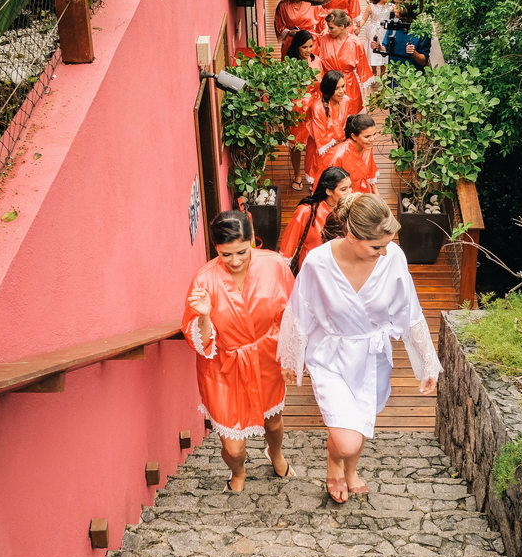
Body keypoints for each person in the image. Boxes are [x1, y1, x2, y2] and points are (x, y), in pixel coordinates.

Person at [277, 194, 441, 503]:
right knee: (346, 438)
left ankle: (349, 471)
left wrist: (427, 363)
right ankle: (334, 460)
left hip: (373, 355)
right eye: (377, 246)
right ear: (352, 237)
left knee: (362, 418)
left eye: (388, 244)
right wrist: (291, 357)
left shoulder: (393, 257)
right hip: (330, 356)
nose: (384, 252)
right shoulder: (318, 262)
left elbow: (411, 311)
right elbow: (300, 310)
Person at [184, 211, 297, 491]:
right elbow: (200, 341)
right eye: (225, 255)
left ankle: (276, 453)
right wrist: (205, 316)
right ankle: (237, 471)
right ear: (215, 250)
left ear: (252, 242)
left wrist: (293, 356)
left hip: (266, 357)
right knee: (234, 448)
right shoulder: (203, 280)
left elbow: (292, 315)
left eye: (241, 252)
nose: (234, 261)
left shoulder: (275, 266)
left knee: (273, 423)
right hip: (223, 367)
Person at [279, 166, 352, 271]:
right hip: (312, 268)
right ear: (329, 191)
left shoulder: (352, 209)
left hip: (340, 269)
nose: (350, 192)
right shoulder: (306, 211)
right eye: (344, 189)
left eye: (350, 187)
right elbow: (288, 246)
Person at [285, 30, 324, 191]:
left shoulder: (317, 61)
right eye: (304, 47)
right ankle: (297, 175)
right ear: (297, 47)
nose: (308, 50)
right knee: (296, 145)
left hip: (314, 107)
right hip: (296, 108)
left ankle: (313, 176)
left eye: (310, 46)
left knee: (314, 145)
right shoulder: (289, 65)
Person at [316, 9, 373, 119]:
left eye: (331, 27)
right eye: (328, 27)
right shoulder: (324, 40)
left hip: (349, 88)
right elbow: (317, 66)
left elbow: (364, 72)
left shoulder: (356, 43)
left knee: (350, 122)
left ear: (342, 26)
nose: (329, 30)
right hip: (329, 86)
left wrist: (367, 99)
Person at [302, 70, 349, 184]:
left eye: (343, 86)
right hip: (320, 152)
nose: (342, 91)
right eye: (337, 88)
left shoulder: (345, 101)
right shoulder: (317, 107)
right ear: (328, 89)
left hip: (340, 149)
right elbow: (321, 139)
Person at [325, 113, 379, 194]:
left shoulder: (367, 146)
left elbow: (371, 171)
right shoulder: (338, 156)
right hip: (343, 196)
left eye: (374, 134)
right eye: (367, 136)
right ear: (354, 136)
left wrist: (376, 195)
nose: (372, 139)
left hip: (363, 191)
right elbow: (330, 187)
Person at [357, 0, 396, 76]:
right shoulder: (372, 6)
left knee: (384, 52)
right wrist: (358, 26)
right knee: (373, 52)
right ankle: (373, 72)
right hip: (373, 31)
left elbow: (398, 13)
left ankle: (383, 76)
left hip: (385, 31)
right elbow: (363, 19)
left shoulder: (390, 6)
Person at [379, 2, 430, 71]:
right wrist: (378, 47)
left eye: (397, 6)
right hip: (394, 73)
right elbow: (385, 52)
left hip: (413, 75)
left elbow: (423, 61)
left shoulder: (421, 32)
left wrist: (414, 53)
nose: (394, 8)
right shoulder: (393, 26)